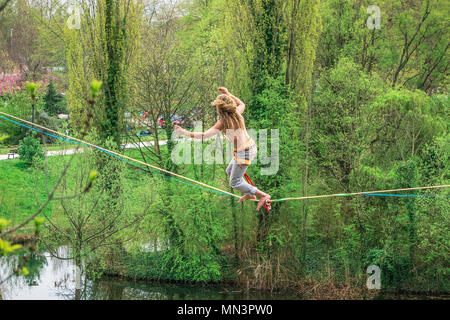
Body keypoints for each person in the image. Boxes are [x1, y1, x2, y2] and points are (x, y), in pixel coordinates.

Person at [174, 87, 271, 211]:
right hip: (249, 148)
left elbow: (204, 136)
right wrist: (228, 94)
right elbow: (242, 104)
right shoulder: (237, 113)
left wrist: (183, 132)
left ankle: (263, 195)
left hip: (244, 153)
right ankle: (250, 193)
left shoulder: (223, 123)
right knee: (229, 171)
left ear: (220, 110)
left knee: (234, 182)